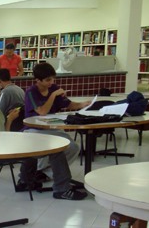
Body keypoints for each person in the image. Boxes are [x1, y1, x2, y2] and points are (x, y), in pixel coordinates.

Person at [19, 62, 90, 200]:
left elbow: (68, 104)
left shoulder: (54, 88)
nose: (52, 82)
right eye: (48, 80)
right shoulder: (31, 92)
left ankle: (44, 173)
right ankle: (59, 184)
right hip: (33, 129)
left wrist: (83, 104)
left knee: (73, 147)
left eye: (53, 79)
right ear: (38, 80)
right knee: (57, 147)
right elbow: (42, 111)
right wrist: (53, 95)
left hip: (51, 128)